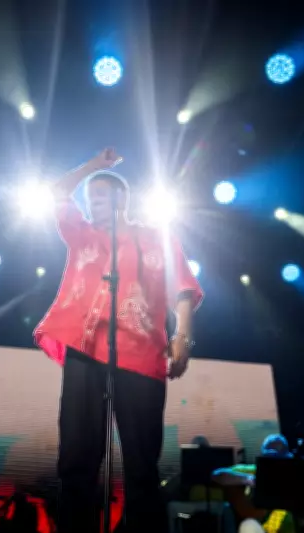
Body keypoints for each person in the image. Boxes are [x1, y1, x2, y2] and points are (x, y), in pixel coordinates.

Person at [33, 148, 203, 533]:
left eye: (101, 196)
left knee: (142, 464)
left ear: (122, 200)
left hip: (141, 354)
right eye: (89, 199)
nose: (93, 204)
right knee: (76, 458)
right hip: (85, 348)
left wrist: (183, 336)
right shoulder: (81, 234)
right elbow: (57, 192)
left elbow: (184, 287)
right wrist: (93, 167)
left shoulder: (154, 237)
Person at [212, 434, 296, 533]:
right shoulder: (254, 471)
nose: (275, 462)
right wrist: (247, 479)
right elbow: (217, 475)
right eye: (270, 457)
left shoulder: (293, 477)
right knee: (248, 526)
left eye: (279, 458)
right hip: (258, 528)